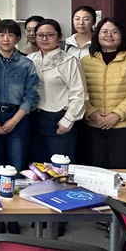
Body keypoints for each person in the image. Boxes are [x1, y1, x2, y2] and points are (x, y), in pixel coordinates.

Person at [0, 20, 39, 235]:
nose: (6, 39)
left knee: (16, 168)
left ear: (18, 38)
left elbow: (32, 96)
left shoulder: (26, 64)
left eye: (11, 35)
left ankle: (13, 216)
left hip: (19, 117)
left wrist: (14, 120)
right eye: (1, 35)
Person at [81, 18, 126, 187]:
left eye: (114, 32)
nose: (109, 35)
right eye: (104, 31)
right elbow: (78, 91)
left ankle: (122, 205)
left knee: (123, 175)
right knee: (94, 173)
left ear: (122, 35)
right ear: (97, 35)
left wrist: (116, 115)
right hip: (94, 126)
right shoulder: (86, 61)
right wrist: (91, 113)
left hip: (124, 127)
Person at [27, 19, 86, 164]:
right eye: (40, 35)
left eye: (50, 35)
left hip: (58, 120)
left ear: (59, 37)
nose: (44, 39)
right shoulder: (30, 60)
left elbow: (79, 94)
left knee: (59, 168)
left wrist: (68, 120)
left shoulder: (69, 61)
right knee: (36, 167)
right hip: (33, 119)